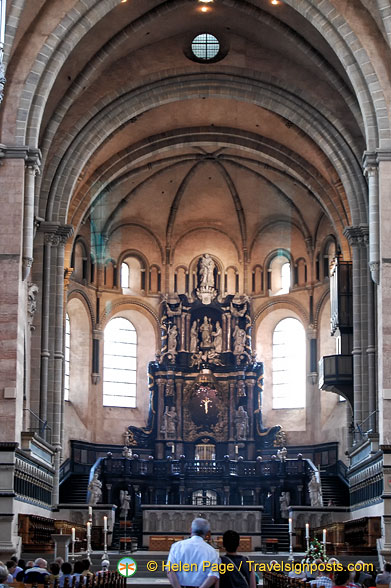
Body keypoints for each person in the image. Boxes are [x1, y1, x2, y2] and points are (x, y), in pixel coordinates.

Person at [166, 517, 219, 588]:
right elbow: (213, 576)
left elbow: (170, 570)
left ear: (190, 530)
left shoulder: (177, 546)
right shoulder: (212, 551)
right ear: (207, 533)